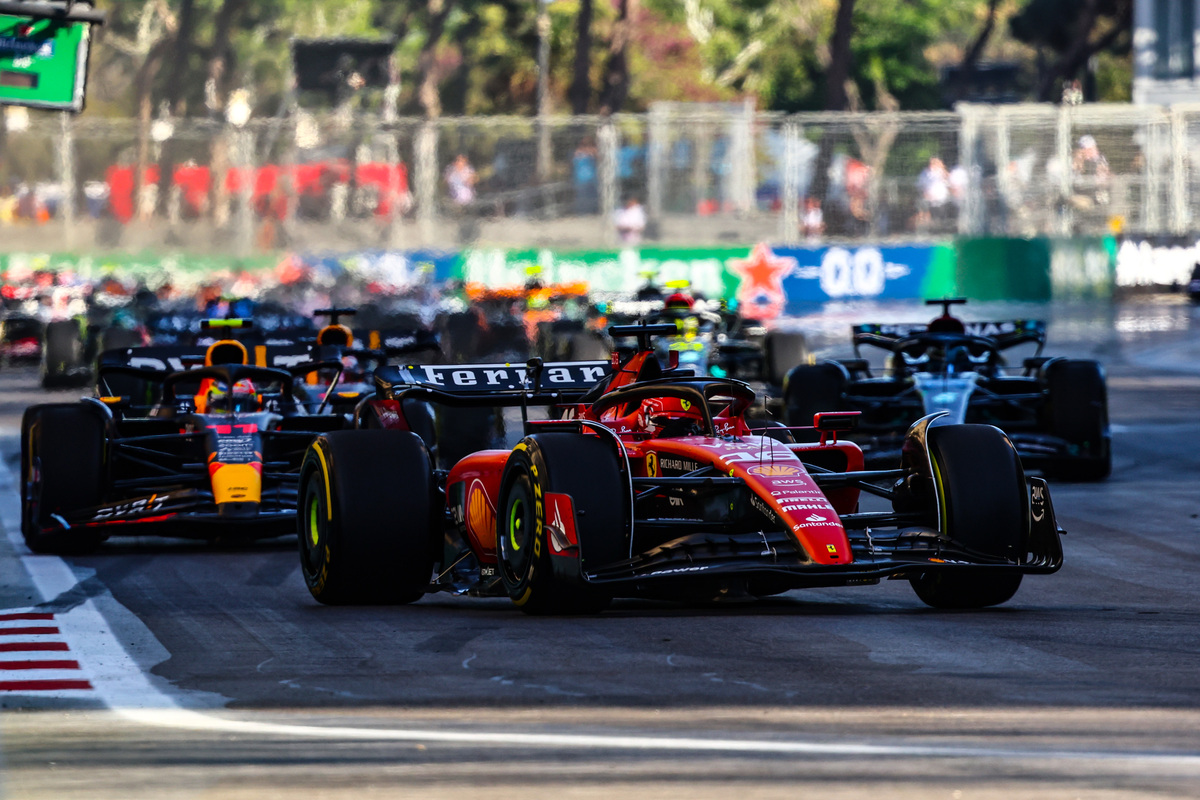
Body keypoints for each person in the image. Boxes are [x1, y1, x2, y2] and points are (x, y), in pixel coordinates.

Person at [1071, 135, 1110, 209]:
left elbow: (1103, 180)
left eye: (1086, 149)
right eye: (1082, 150)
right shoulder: (1083, 161)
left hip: (1096, 197)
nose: (1083, 152)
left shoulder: (1098, 161)